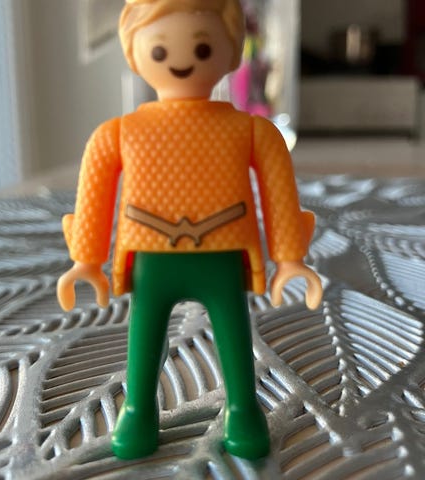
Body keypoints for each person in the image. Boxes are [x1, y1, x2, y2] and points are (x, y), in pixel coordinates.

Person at [57, 0, 323, 460]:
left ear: (231, 51)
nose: (181, 61)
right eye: (159, 51)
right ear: (134, 52)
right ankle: (138, 409)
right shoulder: (117, 134)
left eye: (203, 47)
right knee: (144, 337)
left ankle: (242, 408)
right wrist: (86, 259)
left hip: (222, 255)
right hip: (151, 258)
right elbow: (93, 199)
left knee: (233, 334)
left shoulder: (252, 131)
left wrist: (290, 257)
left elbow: (279, 195)